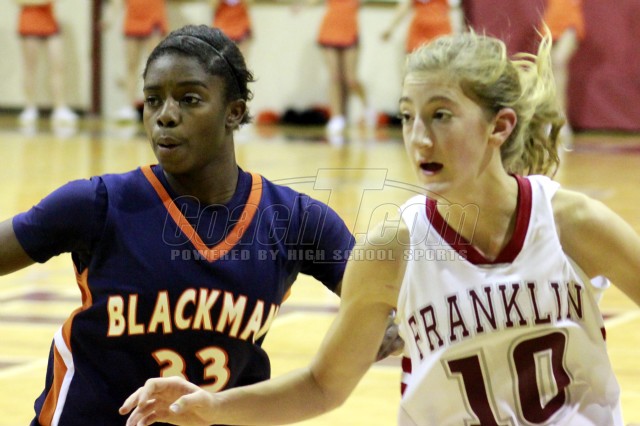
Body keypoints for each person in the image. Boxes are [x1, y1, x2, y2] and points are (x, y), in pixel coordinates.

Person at [121, 29, 640, 426]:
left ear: (499, 126)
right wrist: (212, 406)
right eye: (408, 117)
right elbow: (323, 385)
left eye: (441, 116)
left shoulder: (571, 223)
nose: (419, 138)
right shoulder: (391, 251)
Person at [0, 24, 403, 425]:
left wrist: (378, 327)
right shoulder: (97, 204)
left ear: (234, 112)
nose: (165, 116)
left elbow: (388, 302)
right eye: (153, 100)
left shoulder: (295, 221)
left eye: (189, 99)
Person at [298, 0, 375, 137]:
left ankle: (366, 107)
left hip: (349, 28)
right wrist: (302, 5)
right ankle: (337, 117)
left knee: (351, 79)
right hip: (330, 28)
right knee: (334, 77)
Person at [15, 0, 79, 126]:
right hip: (29, 23)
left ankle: (60, 107)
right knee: (30, 68)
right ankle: (29, 107)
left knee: (58, 66)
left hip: (49, 23)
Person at [103, 0, 169, 122]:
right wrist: (110, 17)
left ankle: (157, 104)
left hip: (154, 18)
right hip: (132, 19)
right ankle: (129, 105)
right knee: (131, 65)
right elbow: (117, 3)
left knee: (155, 66)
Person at [541, 0, 585, 141]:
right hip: (552, 18)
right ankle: (550, 117)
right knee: (548, 69)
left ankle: (561, 120)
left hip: (570, 21)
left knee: (559, 61)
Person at [380, 0, 464, 53]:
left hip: (441, 32)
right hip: (419, 32)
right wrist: (390, 28)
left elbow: (455, 10)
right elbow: (403, 8)